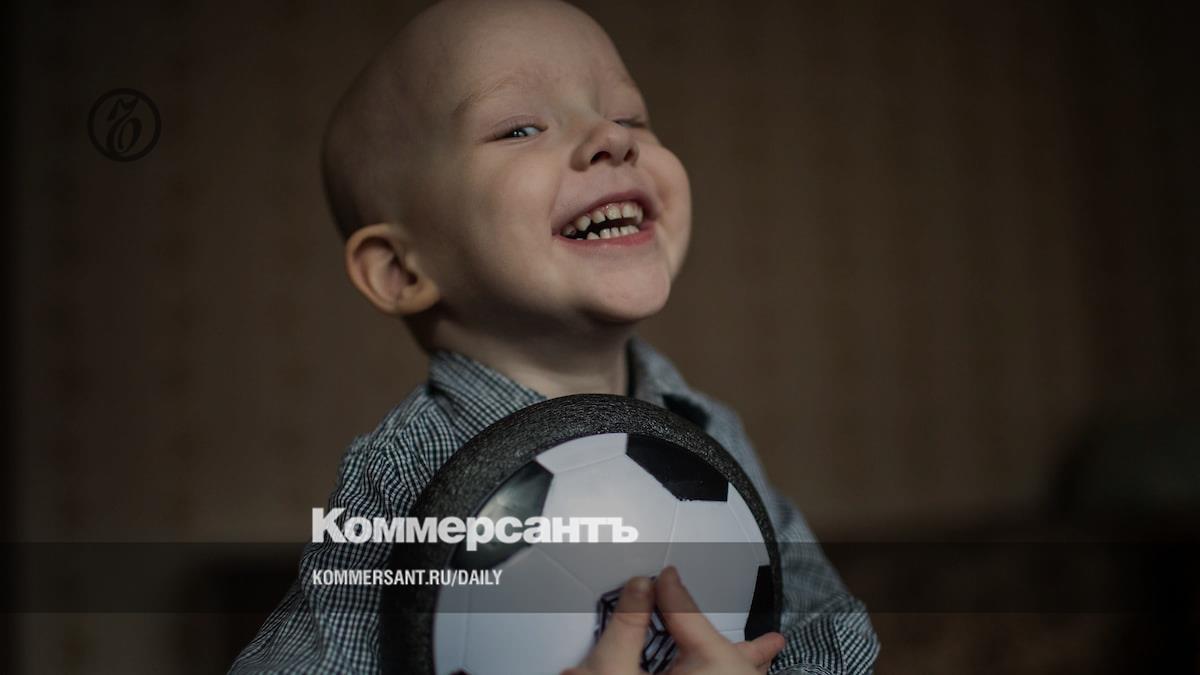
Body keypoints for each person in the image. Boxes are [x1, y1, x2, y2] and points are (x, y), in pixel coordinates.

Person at [230, 0, 879, 672]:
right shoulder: (401, 475)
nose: (612, 138)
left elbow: (821, 628)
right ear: (402, 268)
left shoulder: (711, 431)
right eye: (519, 128)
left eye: (630, 117)